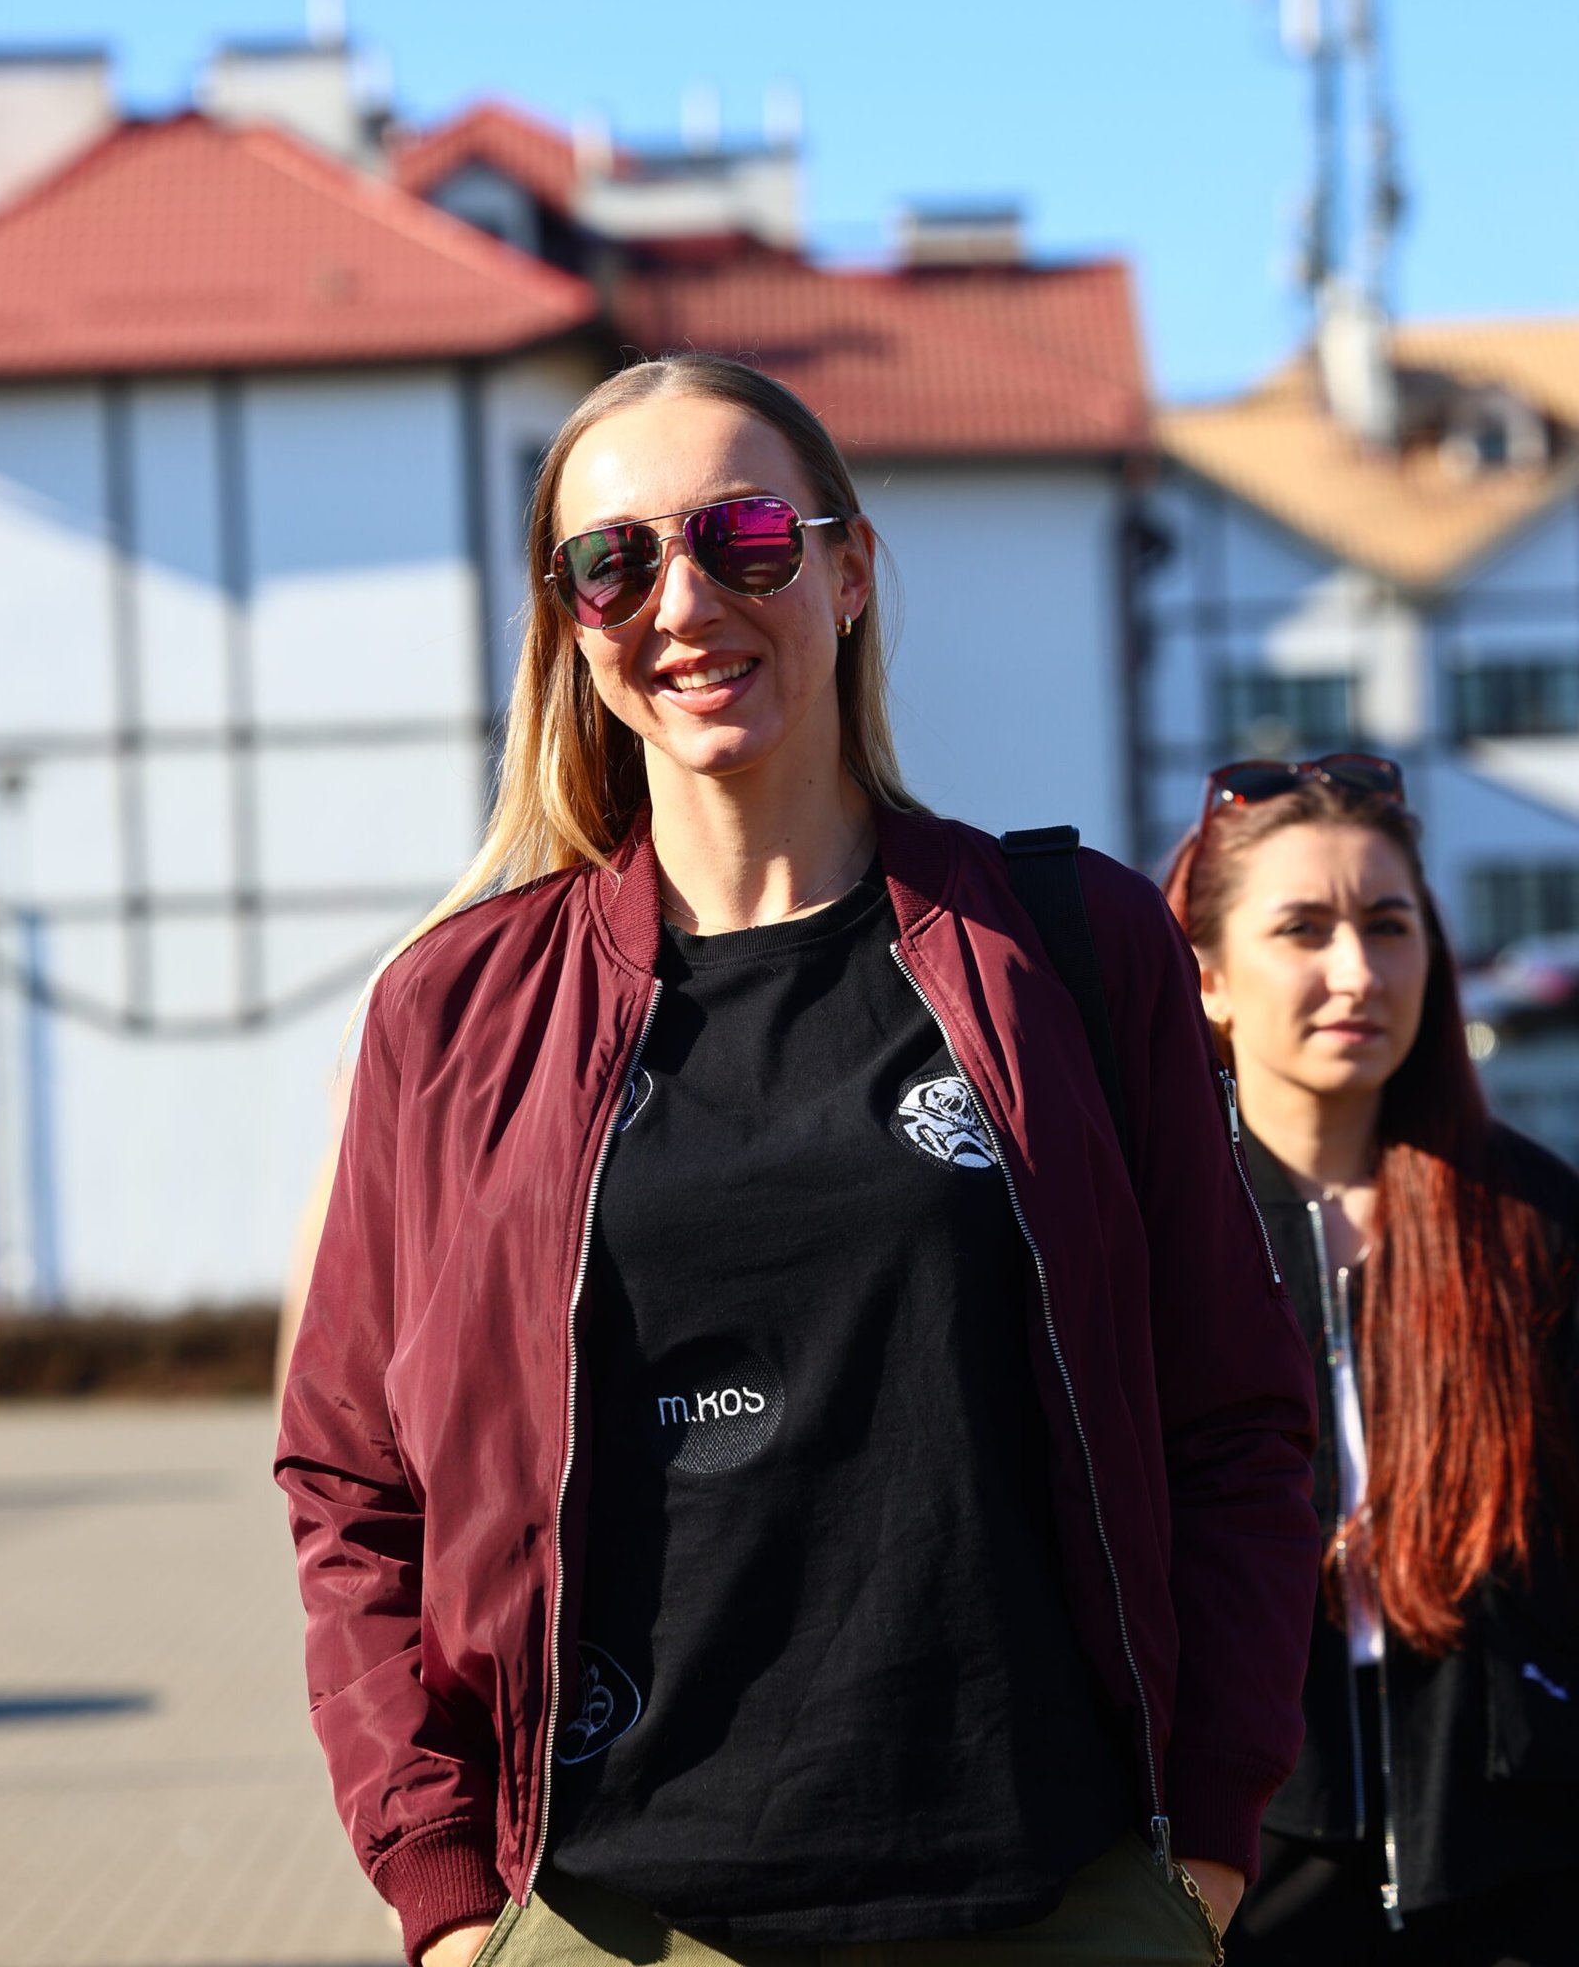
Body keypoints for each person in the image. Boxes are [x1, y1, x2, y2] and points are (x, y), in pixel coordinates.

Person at [276, 353, 1320, 1967]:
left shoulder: (1068, 949)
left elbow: (1237, 1416)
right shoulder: (459, 1010)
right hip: (608, 1916)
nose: (684, 601)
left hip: (1052, 1898)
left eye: (745, 535)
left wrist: (1205, 1848)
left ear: (848, 571)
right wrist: (449, 1893)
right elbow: (352, 1480)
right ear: (571, 624)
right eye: (614, 561)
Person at [1163, 756, 1579, 1966]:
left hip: (1519, 1863)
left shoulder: (1532, 1218)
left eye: (1388, 926)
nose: (1355, 971)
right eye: (1302, 929)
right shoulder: (1141, 1239)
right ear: (1206, 977)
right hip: (1242, 1872)